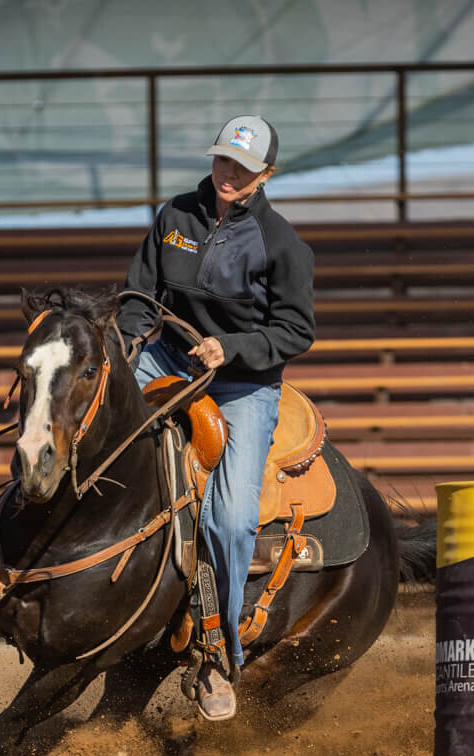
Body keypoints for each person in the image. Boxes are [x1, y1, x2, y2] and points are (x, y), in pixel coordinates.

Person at [116, 114, 316, 721]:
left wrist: (231, 349)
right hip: (166, 359)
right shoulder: (173, 216)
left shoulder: (283, 243)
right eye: (223, 161)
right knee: (91, 417)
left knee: (230, 520)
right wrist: (127, 354)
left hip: (241, 385)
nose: (228, 174)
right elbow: (135, 297)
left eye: (243, 167)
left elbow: (296, 330)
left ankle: (216, 649)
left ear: (265, 175)